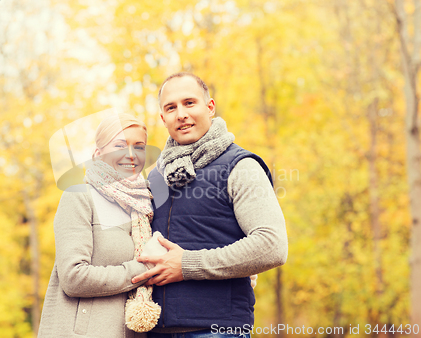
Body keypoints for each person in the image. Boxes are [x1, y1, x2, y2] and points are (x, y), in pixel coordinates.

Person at [132, 73, 288, 337]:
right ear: (163, 118)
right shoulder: (156, 176)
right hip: (155, 330)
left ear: (210, 107)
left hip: (217, 330)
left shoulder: (241, 166)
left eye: (189, 103)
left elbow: (272, 245)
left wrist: (187, 264)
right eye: (171, 108)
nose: (181, 114)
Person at [38, 113, 163, 338]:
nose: (131, 155)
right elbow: (73, 277)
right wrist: (142, 270)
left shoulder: (145, 207)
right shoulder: (80, 197)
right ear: (97, 153)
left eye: (140, 146)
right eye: (119, 145)